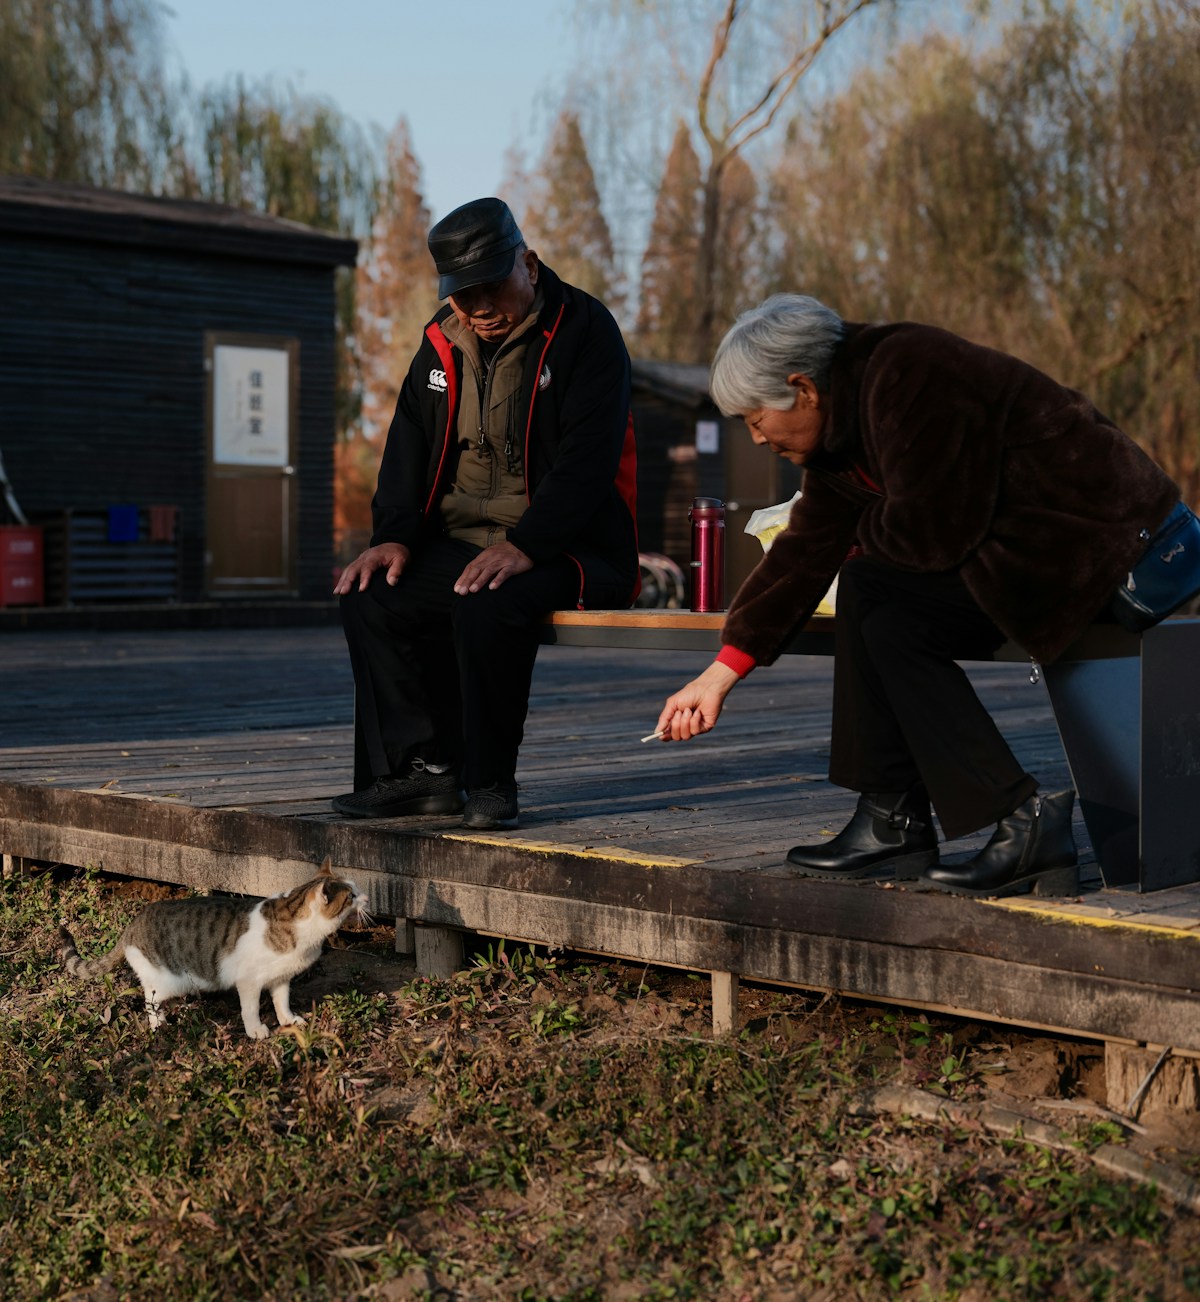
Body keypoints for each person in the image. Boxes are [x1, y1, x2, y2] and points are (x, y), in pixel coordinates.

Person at [653, 293, 1182, 897]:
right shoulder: (838, 434)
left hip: (1101, 544)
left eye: (754, 420)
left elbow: (932, 531)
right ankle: (899, 820)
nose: (755, 439)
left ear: (803, 389)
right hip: (1016, 553)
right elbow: (804, 552)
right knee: (873, 599)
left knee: (879, 599)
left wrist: (854, 537)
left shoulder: (911, 374)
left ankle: (972, 819)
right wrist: (722, 671)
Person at [334, 197, 639, 830]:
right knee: (372, 593)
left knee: (487, 601)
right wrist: (391, 538)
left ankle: (490, 781)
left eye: (490, 287)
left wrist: (528, 542)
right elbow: (405, 447)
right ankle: (423, 774)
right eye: (461, 294)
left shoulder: (586, 331)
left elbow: (589, 460)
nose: (477, 309)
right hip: (460, 541)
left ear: (528, 264)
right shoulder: (439, 342)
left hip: (572, 546)